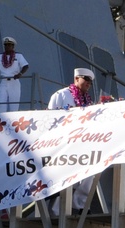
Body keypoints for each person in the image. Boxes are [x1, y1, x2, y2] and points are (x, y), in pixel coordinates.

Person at [48, 68, 96, 213]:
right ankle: (56, 212)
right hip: (63, 144)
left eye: (91, 82)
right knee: (63, 176)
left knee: (92, 169)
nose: (88, 83)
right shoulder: (61, 95)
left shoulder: (88, 100)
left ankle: (79, 203)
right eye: (86, 79)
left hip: (83, 142)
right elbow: (49, 118)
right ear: (76, 79)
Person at [0, 36, 29, 113]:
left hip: (14, 82)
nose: (7, 46)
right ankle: (1, 121)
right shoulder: (0, 57)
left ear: (13, 46)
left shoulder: (18, 56)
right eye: (5, 45)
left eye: (9, 45)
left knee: (14, 106)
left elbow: (26, 66)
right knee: (1, 103)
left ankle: (13, 122)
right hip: (4, 82)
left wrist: (20, 74)